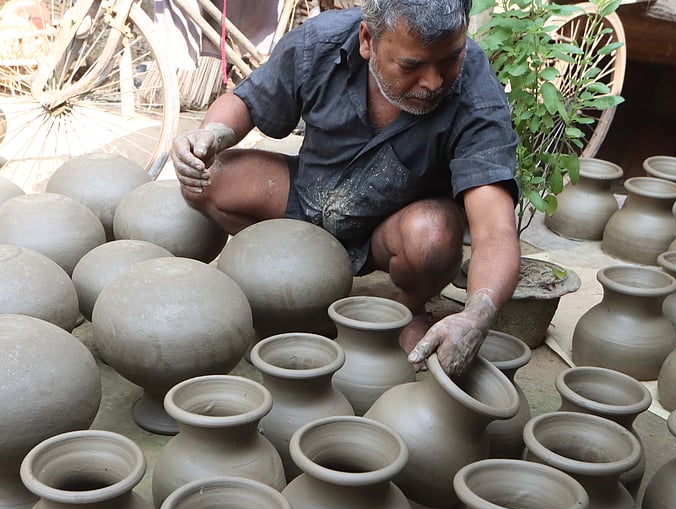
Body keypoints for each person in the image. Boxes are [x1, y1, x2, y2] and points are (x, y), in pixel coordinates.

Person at [171, 0, 522, 376]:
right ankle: (293, 280)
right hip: (306, 200)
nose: (434, 82)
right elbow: (245, 101)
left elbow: (495, 228)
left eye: (450, 60)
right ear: (368, 40)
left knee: (433, 234)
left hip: (390, 234)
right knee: (209, 176)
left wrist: (477, 313)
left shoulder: (475, 93)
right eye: (412, 65)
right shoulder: (320, 44)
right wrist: (209, 135)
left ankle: (409, 310)